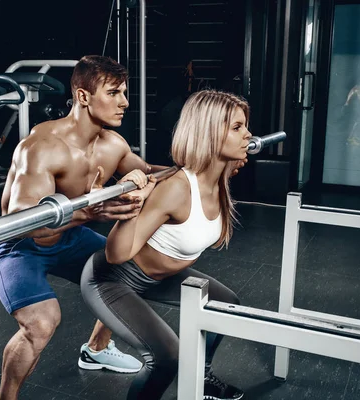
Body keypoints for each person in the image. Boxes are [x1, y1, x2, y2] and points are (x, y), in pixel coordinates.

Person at [0, 55, 172, 400]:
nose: (125, 102)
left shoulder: (113, 144)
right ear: (83, 96)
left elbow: (149, 172)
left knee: (130, 266)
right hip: (17, 244)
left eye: (125, 92)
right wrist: (90, 211)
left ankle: (97, 349)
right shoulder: (41, 148)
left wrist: (196, 166)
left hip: (68, 234)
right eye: (114, 93)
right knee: (40, 324)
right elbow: (30, 226)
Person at [81, 90, 250, 400]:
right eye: (237, 127)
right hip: (113, 278)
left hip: (160, 277)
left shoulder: (216, 178)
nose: (248, 135)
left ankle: (202, 376)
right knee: (165, 357)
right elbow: (116, 254)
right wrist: (131, 206)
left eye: (245, 126)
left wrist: (229, 162)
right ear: (209, 133)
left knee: (227, 306)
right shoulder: (175, 190)